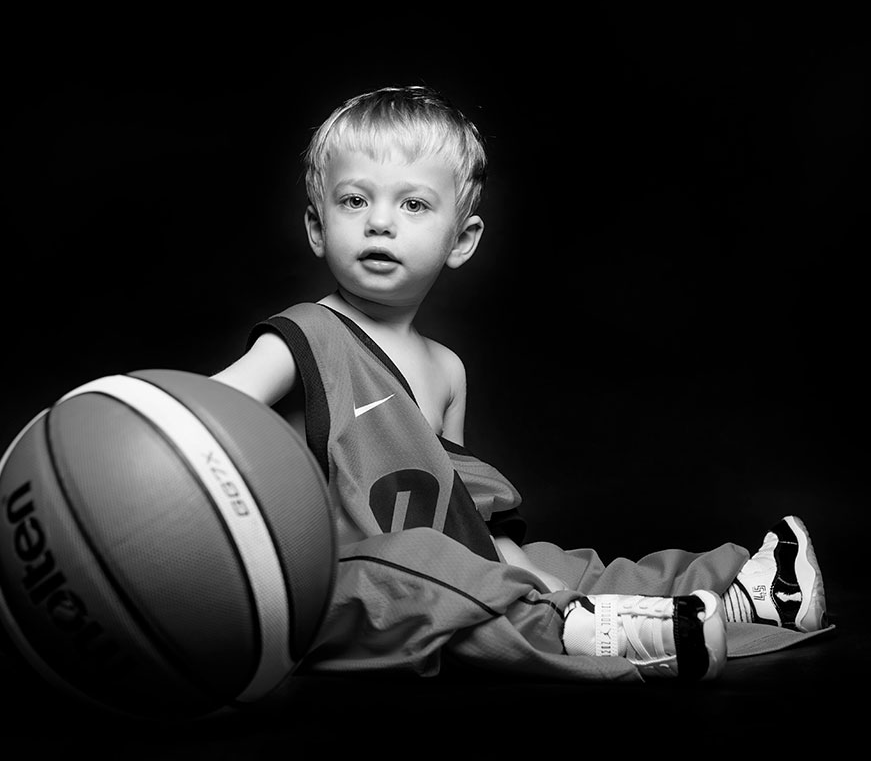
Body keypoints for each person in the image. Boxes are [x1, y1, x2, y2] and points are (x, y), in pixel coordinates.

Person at [211, 85, 829, 683]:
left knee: (561, 566)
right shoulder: (300, 337)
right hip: (343, 583)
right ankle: (586, 633)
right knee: (409, 571)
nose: (379, 223)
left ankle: (742, 591)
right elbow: (194, 416)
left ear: (462, 240)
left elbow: (468, 508)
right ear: (318, 228)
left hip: (455, 566)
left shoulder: (447, 369)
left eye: (414, 204)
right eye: (353, 201)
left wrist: (536, 575)